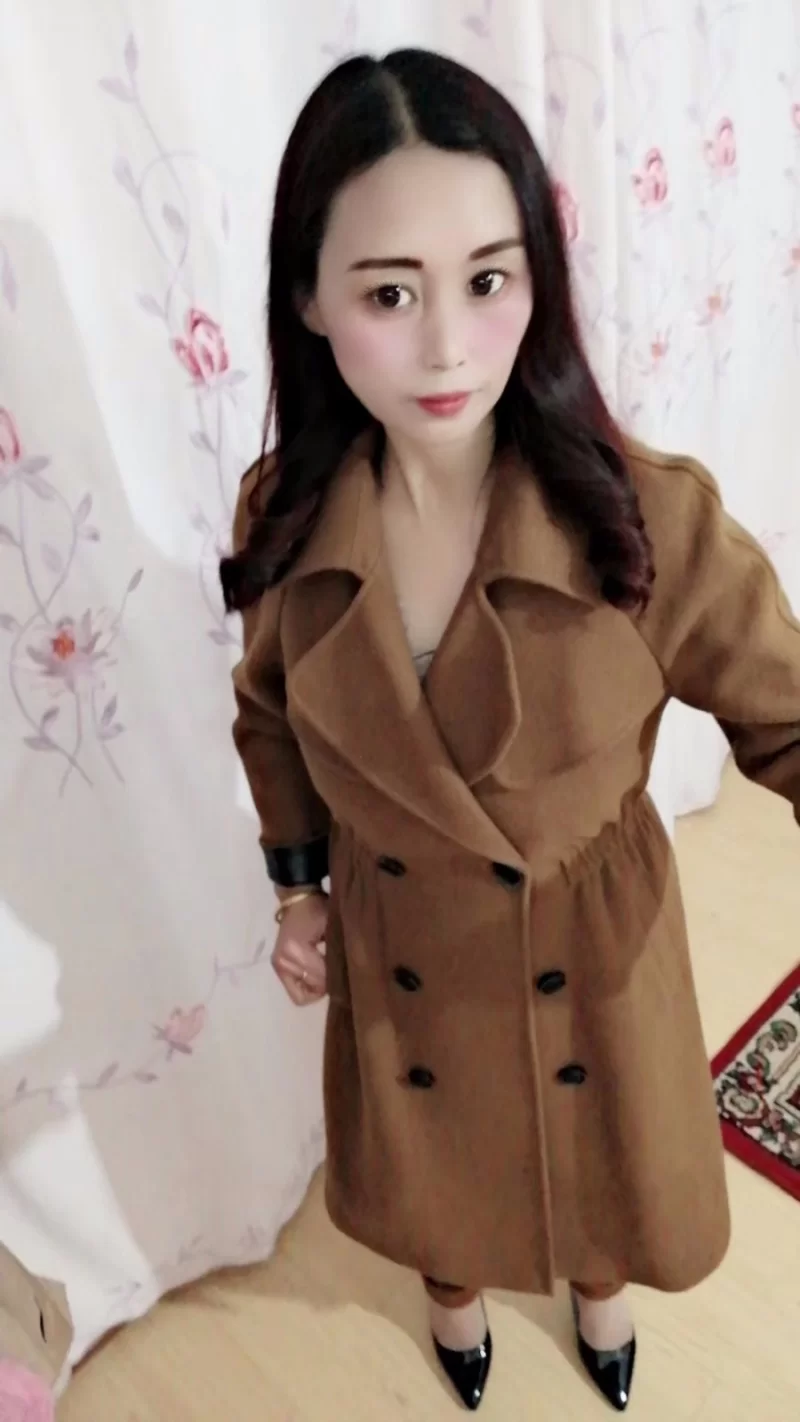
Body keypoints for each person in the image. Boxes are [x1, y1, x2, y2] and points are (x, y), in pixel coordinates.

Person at [220, 49, 800, 1414]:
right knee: (443, 1178)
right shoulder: (285, 518)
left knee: (599, 1176)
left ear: (537, 277)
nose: (446, 347)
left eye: (488, 280)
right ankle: (456, 1303)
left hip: (588, 943)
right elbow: (270, 717)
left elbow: (787, 710)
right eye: (389, 293)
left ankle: (600, 1295)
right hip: (401, 938)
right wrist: (298, 890)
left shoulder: (640, 516)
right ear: (309, 299)